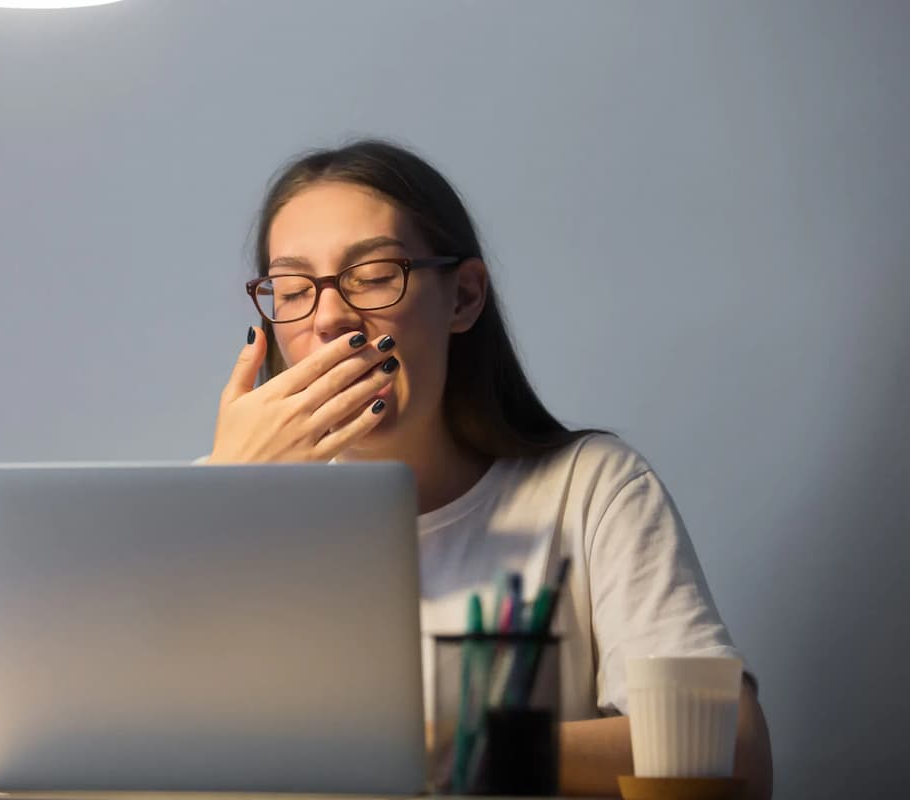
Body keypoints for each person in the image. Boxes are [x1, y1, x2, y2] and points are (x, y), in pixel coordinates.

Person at [207, 139, 772, 798]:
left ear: (464, 298)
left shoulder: (587, 488)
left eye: (375, 274)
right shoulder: (219, 494)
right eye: (296, 289)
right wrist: (225, 501)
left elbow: (730, 751)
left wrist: (446, 751)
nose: (330, 317)